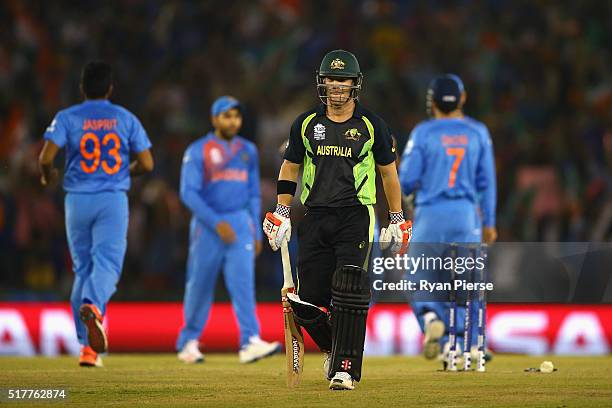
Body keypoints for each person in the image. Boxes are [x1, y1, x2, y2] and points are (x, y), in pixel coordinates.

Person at [263, 50, 411, 390]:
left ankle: (345, 367)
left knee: (349, 289)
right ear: (322, 82)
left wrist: (397, 217)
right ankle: (334, 346)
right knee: (306, 300)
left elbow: (389, 176)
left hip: (355, 217)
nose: (337, 86)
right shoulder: (306, 124)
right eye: (331, 78)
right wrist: (282, 210)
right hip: (315, 216)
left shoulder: (372, 124)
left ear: (355, 84)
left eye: (343, 80)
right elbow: (290, 168)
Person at [38, 61, 154, 367]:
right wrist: (127, 170)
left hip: (76, 200)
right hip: (111, 199)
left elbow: (45, 157)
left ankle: (87, 348)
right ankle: (92, 307)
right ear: (110, 88)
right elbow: (148, 164)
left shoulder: (67, 117)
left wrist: (48, 174)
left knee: (83, 269)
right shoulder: (125, 118)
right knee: (107, 264)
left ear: (81, 88)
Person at [398, 74, 497, 363]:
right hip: (465, 216)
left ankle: (431, 320)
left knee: (420, 277)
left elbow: (406, 180)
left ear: (433, 102)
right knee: (467, 283)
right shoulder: (478, 132)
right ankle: (473, 345)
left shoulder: (423, 133)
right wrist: (489, 221)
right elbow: (487, 182)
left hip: (430, 215)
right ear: (462, 98)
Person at [176, 96, 280, 364]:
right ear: (214, 119)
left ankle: (249, 341)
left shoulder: (248, 150)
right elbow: (188, 193)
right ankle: (189, 342)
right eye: (226, 116)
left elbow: (253, 193)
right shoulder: (198, 150)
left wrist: (256, 230)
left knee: (244, 284)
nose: (232, 121)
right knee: (200, 284)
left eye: (236, 116)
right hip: (208, 226)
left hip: (239, 224)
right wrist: (214, 221)